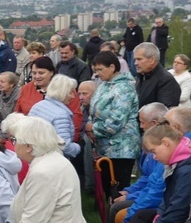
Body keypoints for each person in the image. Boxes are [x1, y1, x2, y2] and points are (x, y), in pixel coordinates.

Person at [86, 51, 141, 195]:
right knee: (107, 187)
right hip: (105, 146)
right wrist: (91, 126)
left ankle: (120, 217)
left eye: (100, 69)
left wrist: (93, 128)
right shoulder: (104, 85)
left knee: (118, 189)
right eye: (95, 70)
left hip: (121, 148)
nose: (97, 74)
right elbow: (94, 109)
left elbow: (116, 121)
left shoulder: (124, 88)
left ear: (112, 67)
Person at [14, 56, 83, 136]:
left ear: (51, 72)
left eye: (41, 73)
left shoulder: (65, 88)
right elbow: (18, 113)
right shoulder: (26, 89)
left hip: (59, 137)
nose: (37, 76)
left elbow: (76, 116)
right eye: (34, 73)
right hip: (30, 136)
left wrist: (71, 139)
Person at [28, 74, 81, 158]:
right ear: (62, 92)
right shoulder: (61, 115)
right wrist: (77, 147)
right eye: (70, 92)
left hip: (34, 156)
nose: (73, 96)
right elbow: (64, 146)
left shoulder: (37, 106)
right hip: (54, 159)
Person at [134, 42, 180, 108]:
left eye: (139, 59)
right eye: (135, 59)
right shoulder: (141, 76)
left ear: (152, 60)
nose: (135, 63)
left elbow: (163, 112)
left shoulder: (166, 81)